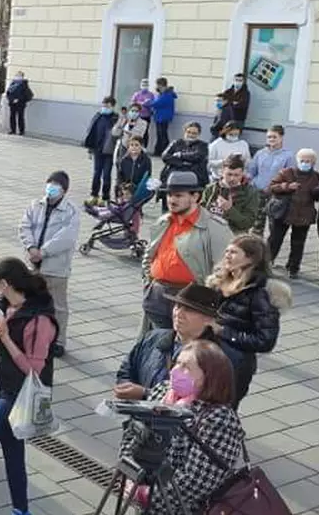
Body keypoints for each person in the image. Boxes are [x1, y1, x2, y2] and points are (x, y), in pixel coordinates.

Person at [116, 340, 246, 515]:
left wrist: (146, 496)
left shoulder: (219, 420)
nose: (175, 371)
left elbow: (196, 483)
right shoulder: (162, 392)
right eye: (177, 363)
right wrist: (128, 476)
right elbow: (132, 432)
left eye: (186, 367)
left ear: (209, 377)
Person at [0, 257, 58, 515]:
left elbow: (33, 371)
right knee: (13, 453)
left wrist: (4, 337)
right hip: (4, 387)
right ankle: (20, 509)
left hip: (20, 395)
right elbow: (0, 350)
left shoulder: (39, 321)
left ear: (5, 284)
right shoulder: (6, 307)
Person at [140, 171, 231, 333]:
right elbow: (150, 253)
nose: (171, 200)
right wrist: (149, 282)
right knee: (158, 345)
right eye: (169, 195)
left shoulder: (214, 227)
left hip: (191, 300)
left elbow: (226, 271)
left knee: (184, 349)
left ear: (195, 197)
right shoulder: (164, 221)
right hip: (157, 296)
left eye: (178, 195)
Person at [114, 284, 230, 398]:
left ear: (208, 319)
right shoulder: (153, 337)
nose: (178, 314)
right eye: (177, 306)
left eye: (189, 310)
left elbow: (205, 400)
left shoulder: (214, 358)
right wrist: (125, 386)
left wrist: (145, 394)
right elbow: (128, 368)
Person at [209, 235, 285, 404]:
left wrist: (223, 331)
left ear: (251, 258)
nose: (227, 255)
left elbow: (265, 341)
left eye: (234, 252)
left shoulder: (261, 294)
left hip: (234, 365)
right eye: (227, 251)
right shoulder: (218, 282)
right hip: (209, 357)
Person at [17, 170, 79, 357]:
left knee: (58, 306)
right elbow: (24, 226)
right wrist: (30, 248)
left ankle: (58, 341)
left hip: (56, 267)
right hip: (33, 264)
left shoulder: (71, 212)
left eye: (56, 186)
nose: (51, 189)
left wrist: (43, 252)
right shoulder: (35, 205)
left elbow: (66, 238)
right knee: (29, 302)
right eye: (50, 184)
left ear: (64, 191)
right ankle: (29, 336)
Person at [266, 148, 319, 278]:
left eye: (308, 161)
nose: (305, 163)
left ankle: (293, 267)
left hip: (304, 214)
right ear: (297, 160)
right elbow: (272, 187)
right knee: (275, 239)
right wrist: (286, 186)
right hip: (284, 212)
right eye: (302, 160)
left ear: (313, 163)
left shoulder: (316, 176)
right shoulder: (287, 172)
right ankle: (266, 263)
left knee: (298, 243)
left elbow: (317, 194)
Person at [246, 125, 295, 236]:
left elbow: (290, 177)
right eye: (269, 137)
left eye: (274, 137)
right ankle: (256, 249)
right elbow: (251, 172)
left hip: (276, 194)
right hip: (258, 192)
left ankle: (270, 250)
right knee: (256, 226)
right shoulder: (260, 153)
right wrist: (251, 182)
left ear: (281, 137)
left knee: (274, 226)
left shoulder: (288, 155)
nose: (271, 139)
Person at [201, 154, 260, 234]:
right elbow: (200, 214)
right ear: (222, 172)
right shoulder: (210, 189)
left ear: (242, 173)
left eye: (236, 175)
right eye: (229, 174)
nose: (232, 178)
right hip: (210, 234)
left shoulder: (251, 193)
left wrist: (229, 210)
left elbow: (247, 223)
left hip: (233, 236)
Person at [83, 96, 119, 205]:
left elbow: (117, 134)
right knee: (96, 173)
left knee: (106, 174)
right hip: (97, 150)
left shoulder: (116, 119)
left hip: (109, 151)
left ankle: (105, 197)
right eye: (103, 105)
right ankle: (94, 195)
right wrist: (90, 149)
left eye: (107, 106)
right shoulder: (98, 116)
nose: (104, 108)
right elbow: (91, 133)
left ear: (112, 106)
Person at [161, 121, 210, 193]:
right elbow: (165, 156)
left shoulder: (203, 145)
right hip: (175, 173)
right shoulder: (176, 143)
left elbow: (198, 156)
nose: (190, 135)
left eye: (194, 133)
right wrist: (183, 163)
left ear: (198, 134)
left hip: (196, 175)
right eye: (188, 132)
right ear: (184, 132)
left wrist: (180, 155)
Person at [213, 72, 250, 138]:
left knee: (234, 138)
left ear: (243, 81)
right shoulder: (228, 91)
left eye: (240, 80)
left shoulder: (246, 93)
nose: (238, 82)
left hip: (238, 120)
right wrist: (233, 103)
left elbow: (242, 105)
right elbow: (222, 102)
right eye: (236, 80)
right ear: (233, 80)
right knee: (221, 137)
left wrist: (229, 103)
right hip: (225, 119)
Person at [149, 77, 177, 155]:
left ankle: (166, 151)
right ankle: (158, 151)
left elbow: (158, 103)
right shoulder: (163, 94)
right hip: (159, 117)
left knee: (163, 135)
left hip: (163, 117)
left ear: (161, 85)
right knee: (160, 135)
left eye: (158, 85)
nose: (157, 87)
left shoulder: (167, 94)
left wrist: (147, 103)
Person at [5, 71, 34, 136]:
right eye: (17, 75)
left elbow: (25, 94)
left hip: (20, 103)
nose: (17, 76)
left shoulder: (24, 84)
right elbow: (8, 93)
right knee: (12, 116)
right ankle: (13, 130)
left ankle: (21, 131)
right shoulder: (13, 83)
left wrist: (18, 99)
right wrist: (11, 99)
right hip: (12, 103)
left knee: (20, 117)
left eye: (19, 75)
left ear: (22, 77)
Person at [130, 78, 156, 143]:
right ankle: (134, 144)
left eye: (146, 84)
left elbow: (153, 105)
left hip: (146, 116)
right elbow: (132, 103)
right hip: (137, 116)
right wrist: (141, 103)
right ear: (140, 85)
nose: (144, 86)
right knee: (135, 130)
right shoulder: (137, 94)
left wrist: (148, 105)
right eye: (143, 84)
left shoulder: (151, 94)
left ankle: (144, 146)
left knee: (145, 132)